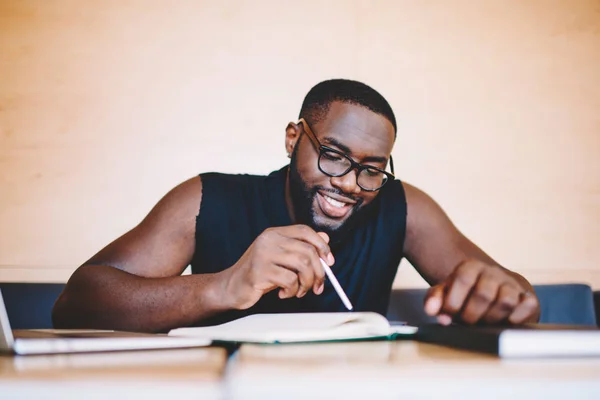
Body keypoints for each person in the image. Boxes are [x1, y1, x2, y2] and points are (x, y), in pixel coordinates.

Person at [52, 79, 540, 333]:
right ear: (293, 139)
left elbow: (523, 303)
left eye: (372, 168)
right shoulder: (208, 198)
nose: (350, 183)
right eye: (333, 155)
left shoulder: (402, 206)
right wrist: (224, 286)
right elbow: (76, 304)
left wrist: (504, 296)